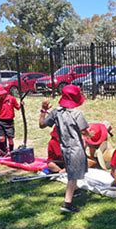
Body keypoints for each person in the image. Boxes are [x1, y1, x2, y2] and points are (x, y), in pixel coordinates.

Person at [39, 85, 93, 213]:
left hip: (65, 148)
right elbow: (85, 130)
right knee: (73, 176)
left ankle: (74, 190)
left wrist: (43, 111)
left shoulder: (56, 112)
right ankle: (67, 204)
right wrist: (90, 134)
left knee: (73, 171)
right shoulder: (77, 113)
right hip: (76, 148)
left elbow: (42, 125)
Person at [0, 83, 22, 153]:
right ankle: (3, 151)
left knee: (10, 138)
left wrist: (21, 105)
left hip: (9, 122)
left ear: (1, 93)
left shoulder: (11, 99)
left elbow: (18, 107)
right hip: (0, 122)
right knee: (1, 138)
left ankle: (11, 152)